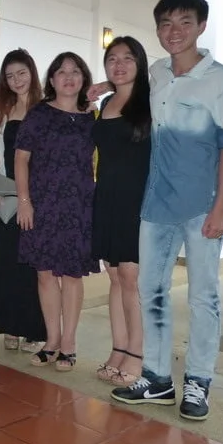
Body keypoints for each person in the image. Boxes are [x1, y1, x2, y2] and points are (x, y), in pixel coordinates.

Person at [110, 0, 223, 421]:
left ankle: (198, 381)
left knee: (204, 296)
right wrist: (100, 85)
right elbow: (131, 98)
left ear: (201, 26)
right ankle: (156, 377)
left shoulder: (222, 78)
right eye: (166, 23)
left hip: (203, 203)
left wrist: (221, 207)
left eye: (185, 22)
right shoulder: (157, 73)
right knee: (151, 290)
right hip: (157, 202)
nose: (175, 31)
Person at [15, 52, 99, 372]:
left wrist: (98, 96)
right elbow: (21, 159)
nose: (68, 76)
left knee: (72, 275)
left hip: (79, 205)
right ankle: (51, 341)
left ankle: (69, 344)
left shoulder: (94, 117)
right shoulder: (39, 114)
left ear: (84, 79)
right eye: (61, 71)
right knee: (46, 273)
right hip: (42, 204)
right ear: (51, 80)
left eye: (75, 71)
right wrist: (25, 201)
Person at [91, 37, 152, 387]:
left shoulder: (151, 101)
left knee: (131, 277)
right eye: (112, 58)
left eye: (128, 58)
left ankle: (137, 355)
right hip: (107, 197)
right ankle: (118, 348)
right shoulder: (105, 102)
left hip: (138, 198)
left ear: (140, 63)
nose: (119, 64)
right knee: (114, 276)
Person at [0, 49, 47, 352]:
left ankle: (34, 329)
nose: (16, 80)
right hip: (7, 195)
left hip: (40, 196)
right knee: (7, 262)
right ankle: (9, 325)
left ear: (32, 73)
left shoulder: (47, 108)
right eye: (10, 76)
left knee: (34, 266)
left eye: (21, 72)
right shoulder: (2, 111)